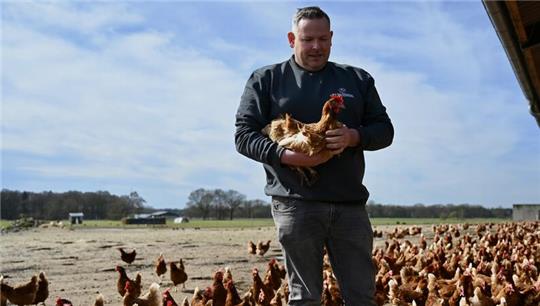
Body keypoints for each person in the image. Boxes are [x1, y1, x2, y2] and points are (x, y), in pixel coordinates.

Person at [235, 6, 393, 306]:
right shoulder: (266, 79)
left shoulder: (357, 79)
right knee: (305, 297)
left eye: (322, 39)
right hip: (296, 204)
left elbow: (384, 130)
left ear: (332, 38)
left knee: (362, 296)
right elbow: (243, 135)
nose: (316, 46)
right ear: (292, 38)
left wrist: (354, 136)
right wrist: (289, 157)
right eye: (308, 39)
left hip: (349, 204)